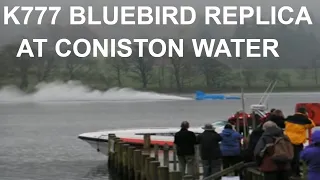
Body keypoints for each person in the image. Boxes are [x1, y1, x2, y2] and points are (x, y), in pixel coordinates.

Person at [284, 107, 316, 178]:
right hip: (298, 142)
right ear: (304, 112)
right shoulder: (305, 120)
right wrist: (307, 117)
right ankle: (296, 173)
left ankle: (290, 173)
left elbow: (285, 123)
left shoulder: (289, 118)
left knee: (290, 157)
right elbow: (312, 125)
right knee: (297, 158)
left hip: (288, 140)